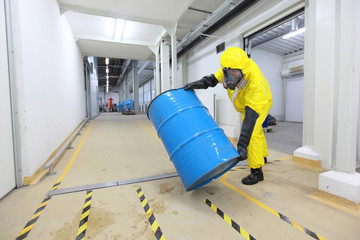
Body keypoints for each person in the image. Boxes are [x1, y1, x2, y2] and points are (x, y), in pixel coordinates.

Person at [184, 47, 272, 185]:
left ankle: (256, 172)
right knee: (257, 131)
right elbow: (214, 78)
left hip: (259, 103)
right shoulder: (232, 67)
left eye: (234, 75)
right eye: (227, 73)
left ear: (243, 72)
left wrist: (242, 145)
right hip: (245, 105)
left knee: (253, 133)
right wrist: (197, 84)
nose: (230, 78)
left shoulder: (256, 84)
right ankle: (263, 156)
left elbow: (250, 120)